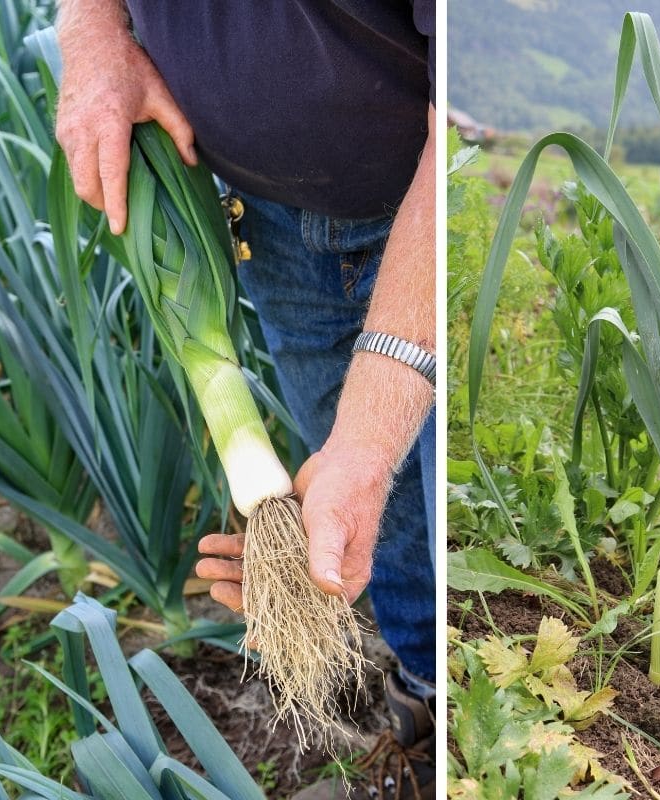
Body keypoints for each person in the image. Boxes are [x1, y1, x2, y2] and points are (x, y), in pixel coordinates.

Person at [54, 2, 437, 798]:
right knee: (376, 516)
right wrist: (92, 34)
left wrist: (367, 440)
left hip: (435, 207)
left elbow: (470, 120)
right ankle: (430, 697)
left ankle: (475, 733)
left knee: (435, 497)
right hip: (261, 215)